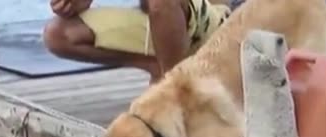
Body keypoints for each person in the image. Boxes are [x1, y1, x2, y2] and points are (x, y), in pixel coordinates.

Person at [43, 0, 234, 82]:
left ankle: (175, 90)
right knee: (59, 34)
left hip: (215, 26)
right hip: (168, 26)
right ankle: (158, 69)